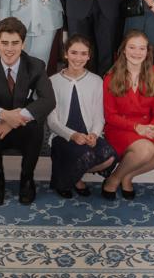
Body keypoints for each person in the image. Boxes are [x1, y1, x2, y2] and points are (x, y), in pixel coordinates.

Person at [0, 17, 56, 206]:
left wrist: (15, 118)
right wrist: (4, 115)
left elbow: (49, 100)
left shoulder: (36, 65)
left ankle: (27, 179)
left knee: (36, 128)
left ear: (23, 44)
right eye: (5, 43)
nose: (9, 49)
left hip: (22, 123)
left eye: (15, 43)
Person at [100, 31, 154, 200]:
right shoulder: (110, 78)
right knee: (145, 149)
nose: (137, 52)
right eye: (132, 47)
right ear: (124, 50)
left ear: (148, 52)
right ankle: (114, 179)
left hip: (148, 126)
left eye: (142, 48)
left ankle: (127, 176)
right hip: (120, 128)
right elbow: (110, 116)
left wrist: (153, 127)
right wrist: (136, 128)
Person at [47, 35, 117, 198]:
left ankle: (71, 173)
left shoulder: (96, 80)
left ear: (89, 56)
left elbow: (99, 116)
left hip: (88, 134)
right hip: (63, 136)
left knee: (110, 156)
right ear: (66, 54)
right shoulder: (53, 81)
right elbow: (52, 121)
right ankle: (69, 180)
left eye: (83, 54)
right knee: (84, 155)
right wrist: (72, 135)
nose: (78, 58)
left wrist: (93, 134)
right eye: (74, 53)